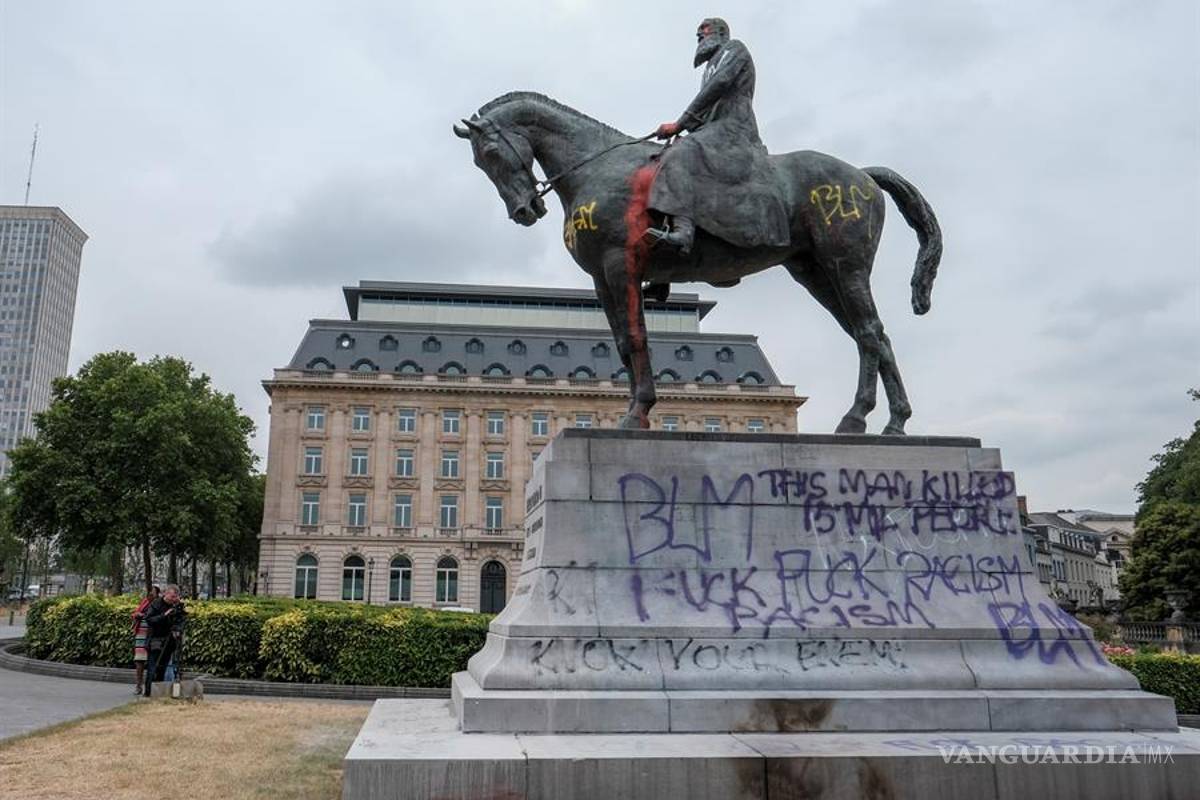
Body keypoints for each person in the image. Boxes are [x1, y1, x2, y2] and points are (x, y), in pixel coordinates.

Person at [646, 17, 790, 255]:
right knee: (672, 150)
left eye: (704, 29)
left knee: (681, 153)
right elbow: (707, 110)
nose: (699, 35)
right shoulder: (709, 67)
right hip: (714, 129)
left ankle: (684, 231)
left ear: (721, 32)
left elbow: (720, 85)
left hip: (734, 127)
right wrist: (683, 130)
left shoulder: (734, 49)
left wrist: (679, 124)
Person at [141, 584, 186, 697]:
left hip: (169, 641)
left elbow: (181, 621)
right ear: (166, 594)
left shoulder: (177, 606)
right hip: (155, 640)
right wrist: (164, 615)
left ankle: (158, 693)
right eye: (172, 596)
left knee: (163, 668)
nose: (173, 599)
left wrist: (178, 628)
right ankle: (148, 692)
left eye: (175, 597)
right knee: (153, 667)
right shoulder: (156, 604)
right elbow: (149, 619)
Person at [131, 585, 160, 695]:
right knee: (139, 660)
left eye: (152, 592)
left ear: (157, 594)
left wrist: (143, 615)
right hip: (141, 634)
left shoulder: (158, 604)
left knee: (153, 661)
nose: (150, 594)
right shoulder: (145, 602)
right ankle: (138, 685)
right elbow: (136, 612)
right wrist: (137, 615)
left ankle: (150, 686)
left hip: (153, 634)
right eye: (149, 592)